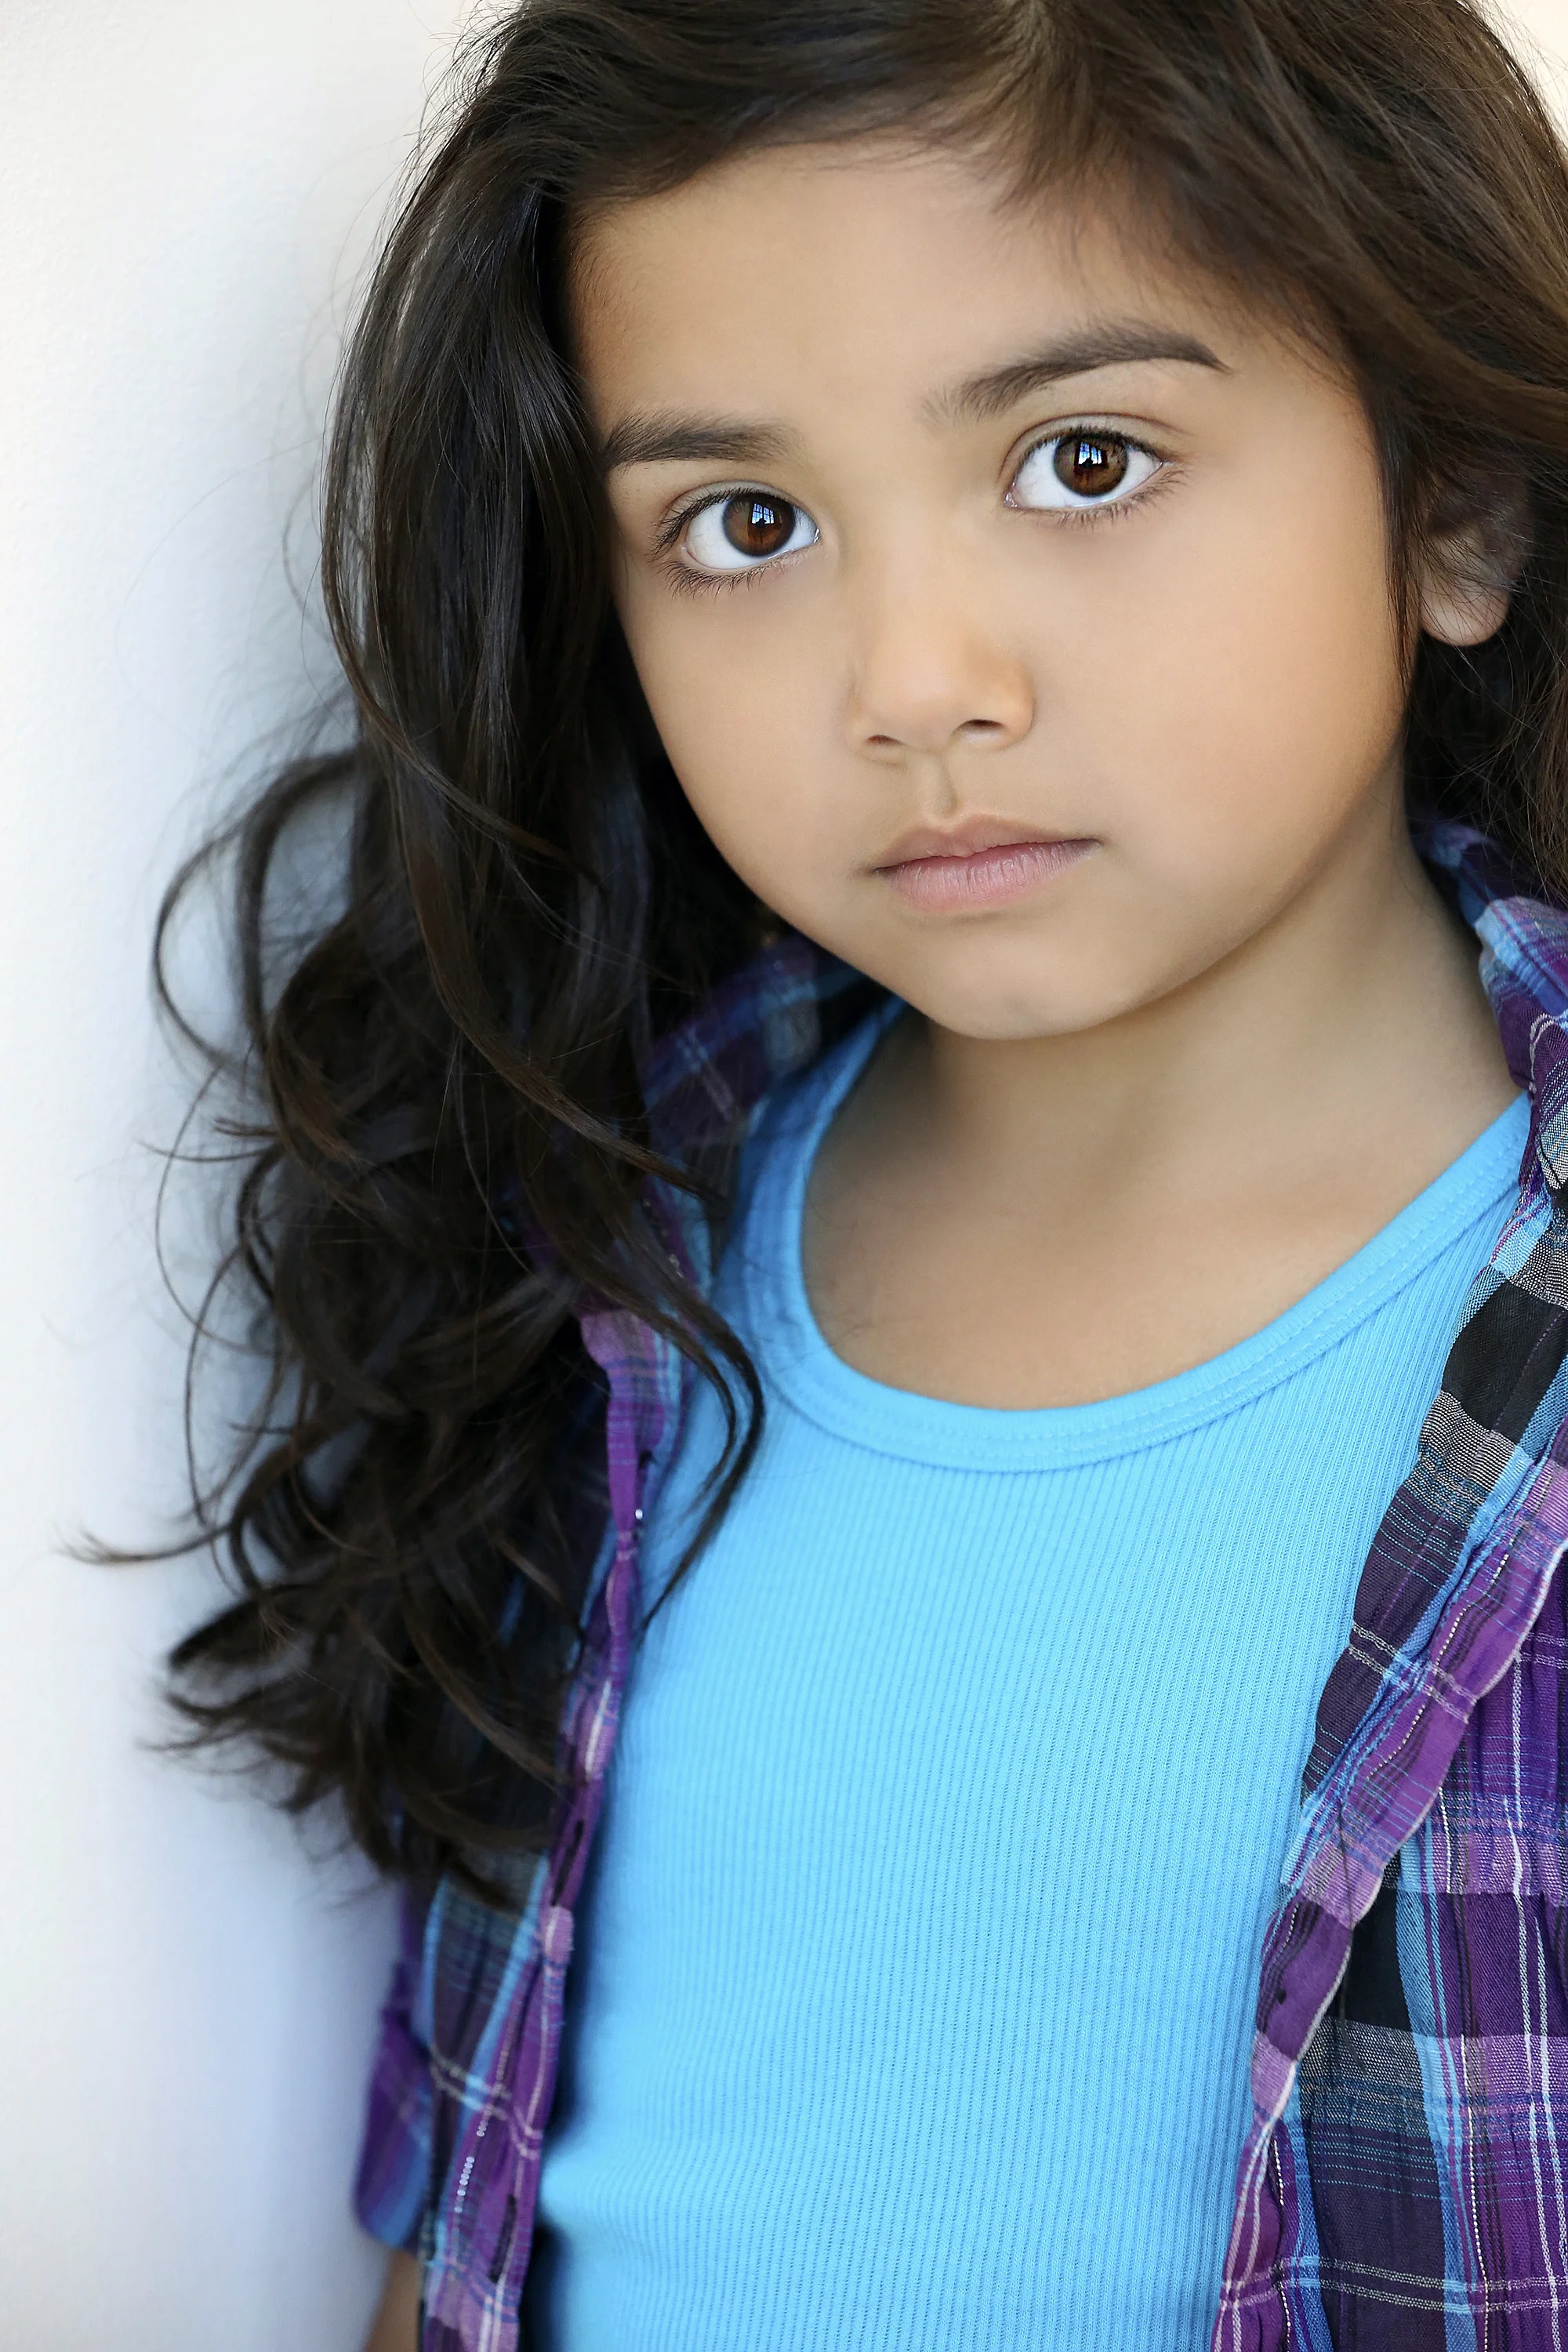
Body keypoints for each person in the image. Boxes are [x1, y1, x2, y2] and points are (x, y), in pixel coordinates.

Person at [162, 0, 1568, 2344]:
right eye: (746, 524)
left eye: (1086, 460)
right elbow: (475, 2209)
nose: (913, 677)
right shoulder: (601, 1251)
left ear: (1455, 506)